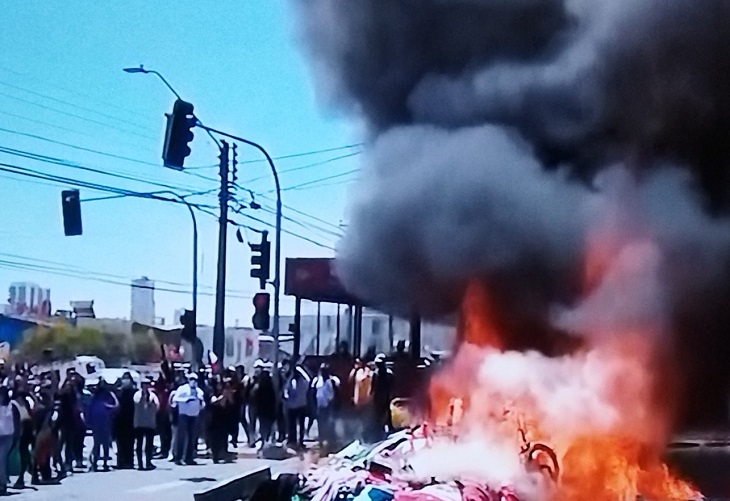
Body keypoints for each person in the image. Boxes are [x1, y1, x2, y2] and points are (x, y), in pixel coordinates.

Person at [173, 373, 205, 465]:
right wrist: (186, 400)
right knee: (181, 437)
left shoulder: (199, 391)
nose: (193, 381)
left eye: (195, 379)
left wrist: (200, 403)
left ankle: (189, 458)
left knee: (192, 438)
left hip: (194, 415)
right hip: (183, 415)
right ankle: (178, 458)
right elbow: (176, 399)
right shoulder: (182, 389)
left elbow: (202, 404)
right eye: (191, 379)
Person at [87, 377, 118, 472]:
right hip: (97, 423)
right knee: (97, 443)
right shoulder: (95, 396)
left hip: (106, 422)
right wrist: (89, 421)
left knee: (105, 443)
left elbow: (116, 405)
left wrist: (109, 408)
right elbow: (89, 409)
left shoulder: (109, 395)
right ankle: (95, 462)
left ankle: (105, 463)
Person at [11, 376, 36, 488]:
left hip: (27, 428)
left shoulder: (26, 400)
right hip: (20, 429)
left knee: (25, 453)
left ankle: (26, 475)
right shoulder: (14, 400)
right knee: (24, 453)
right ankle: (28, 474)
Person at [311, 363, 340, 448]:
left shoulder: (332, 381)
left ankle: (331, 442)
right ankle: (321, 441)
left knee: (330, 424)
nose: (323, 373)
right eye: (322, 371)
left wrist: (334, 405)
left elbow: (335, 394)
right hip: (320, 406)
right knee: (320, 424)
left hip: (329, 406)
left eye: (325, 371)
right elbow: (312, 393)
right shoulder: (317, 380)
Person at [133, 378, 159, 471]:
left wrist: (150, 400)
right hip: (139, 423)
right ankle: (140, 463)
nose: (146, 386)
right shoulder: (137, 394)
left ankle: (148, 462)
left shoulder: (153, 395)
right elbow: (137, 403)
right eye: (144, 384)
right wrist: (144, 396)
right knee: (139, 444)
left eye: (148, 384)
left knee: (149, 444)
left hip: (150, 423)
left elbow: (157, 406)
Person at [208, 378, 235, 463]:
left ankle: (223, 453)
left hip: (224, 419)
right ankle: (215, 456)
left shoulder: (227, 393)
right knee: (215, 438)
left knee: (223, 437)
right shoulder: (213, 393)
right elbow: (214, 402)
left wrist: (228, 396)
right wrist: (223, 396)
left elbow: (230, 404)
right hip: (214, 419)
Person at [283, 365, 310, 449]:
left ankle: (301, 441)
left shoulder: (304, 381)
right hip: (292, 407)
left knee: (301, 426)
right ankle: (292, 441)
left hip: (301, 406)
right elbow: (286, 391)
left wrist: (300, 370)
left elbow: (308, 380)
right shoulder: (291, 381)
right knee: (292, 425)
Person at [369, 354, 394, 442]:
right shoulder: (376, 374)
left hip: (386, 396)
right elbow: (373, 386)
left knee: (387, 413)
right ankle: (377, 431)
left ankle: (390, 429)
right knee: (377, 415)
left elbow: (392, 385)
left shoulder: (389, 374)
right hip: (378, 397)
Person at [114, 373, 136, 469]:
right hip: (120, 422)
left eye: (127, 379)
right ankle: (121, 462)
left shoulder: (134, 392)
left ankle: (129, 461)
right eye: (124, 379)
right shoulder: (119, 393)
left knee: (130, 443)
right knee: (120, 443)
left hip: (131, 421)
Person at [251, 364, 276, 448]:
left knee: (266, 427)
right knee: (264, 427)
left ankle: (265, 442)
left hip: (266, 410)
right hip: (263, 410)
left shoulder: (268, 386)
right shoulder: (262, 386)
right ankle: (264, 442)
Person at [0, 387, 16, 495]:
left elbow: (16, 421)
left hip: (7, 436)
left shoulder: (11, 406)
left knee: (1, 461)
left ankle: (3, 484)